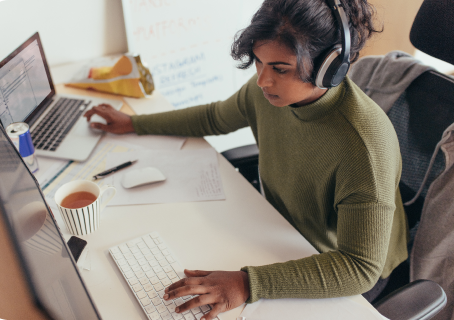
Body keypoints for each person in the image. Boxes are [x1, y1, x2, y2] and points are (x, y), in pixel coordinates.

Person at [84, 0, 409, 319]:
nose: (262, 81)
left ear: (329, 67)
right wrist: (135, 124)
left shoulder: (364, 146)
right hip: (279, 230)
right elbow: (214, 117)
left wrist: (248, 282)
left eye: (280, 69)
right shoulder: (269, 93)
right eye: (258, 62)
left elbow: (360, 267)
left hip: (334, 267)